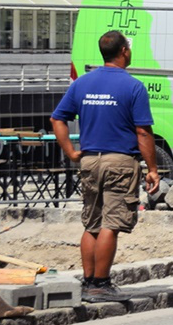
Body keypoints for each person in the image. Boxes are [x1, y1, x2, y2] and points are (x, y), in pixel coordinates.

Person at [51, 30, 161, 303]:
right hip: (120, 161)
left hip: (90, 160)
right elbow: (143, 132)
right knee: (111, 223)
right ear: (124, 51)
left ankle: (88, 282)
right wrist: (153, 169)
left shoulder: (82, 83)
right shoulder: (133, 86)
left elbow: (57, 119)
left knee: (92, 223)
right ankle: (100, 284)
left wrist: (71, 152)